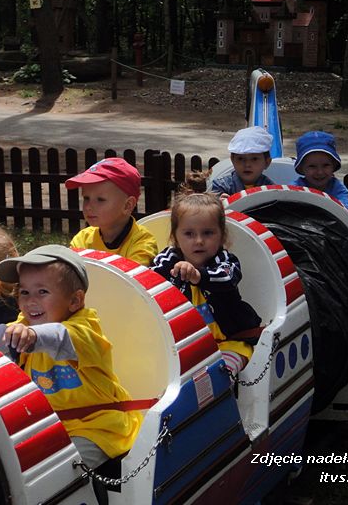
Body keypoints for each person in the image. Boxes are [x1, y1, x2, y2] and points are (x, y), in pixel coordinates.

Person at [0, 244, 142, 470]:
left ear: (75, 301)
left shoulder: (86, 328)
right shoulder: (26, 323)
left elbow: (59, 338)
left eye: (42, 292)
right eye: (24, 292)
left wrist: (31, 335)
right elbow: (5, 334)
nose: (30, 301)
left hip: (97, 426)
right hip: (50, 425)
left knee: (63, 471)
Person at [150, 191, 262, 377]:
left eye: (208, 233)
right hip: (183, 345)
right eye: (189, 234)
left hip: (229, 341)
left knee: (218, 375)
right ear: (175, 237)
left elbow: (228, 277)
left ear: (222, 236)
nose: (199, 241)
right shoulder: (167, 259)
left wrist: (198, 275)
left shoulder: (225, 260)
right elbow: (151, 280)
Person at [66, 157, 157, 266]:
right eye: (86, 198)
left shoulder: (142, 243)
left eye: (100, 199)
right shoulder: (83, 239)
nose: (88, 207)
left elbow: (131, 276)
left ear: (127, 205)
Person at [293, 130, 348, 211]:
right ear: (301, 168)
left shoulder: (337, 188)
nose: (320, 172)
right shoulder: (296, 189)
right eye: (312, 166)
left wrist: (343, 208)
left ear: (334, 166)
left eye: (326, 165)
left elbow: (345, 208)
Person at [210, 126, 275, 198]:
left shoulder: (271, 190)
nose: (247, 164)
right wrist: (218, 203)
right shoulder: (221, 186)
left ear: (267, 163)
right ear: (232, 160)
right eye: (240, 159)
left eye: (254, 159)